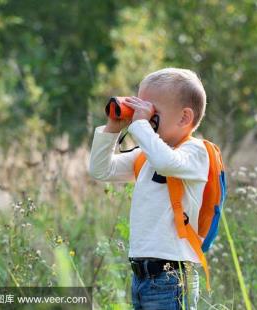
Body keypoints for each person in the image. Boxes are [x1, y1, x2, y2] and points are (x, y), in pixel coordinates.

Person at [88, 67, 209, 309]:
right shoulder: (145, 156)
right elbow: (101, 170)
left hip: (171, 276)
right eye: (139, 109)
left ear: (184, 118)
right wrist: (114, 128)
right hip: (141, 276)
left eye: (152, 111)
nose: (141, 116)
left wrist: (141, 125)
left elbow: (165, 163)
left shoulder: (196, 152)